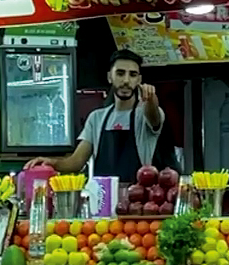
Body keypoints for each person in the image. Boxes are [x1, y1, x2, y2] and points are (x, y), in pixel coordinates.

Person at [25, 49, 167, 185]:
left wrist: (151, 99)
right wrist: (51, 162)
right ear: (109, 77)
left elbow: (154, 117)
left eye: (133, 75)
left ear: (139, 80)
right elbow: (76, 162)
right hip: (103, 199)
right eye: (120, 73)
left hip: (138, 201)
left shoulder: (144, 115)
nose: (126, 80)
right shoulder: (96, 118)